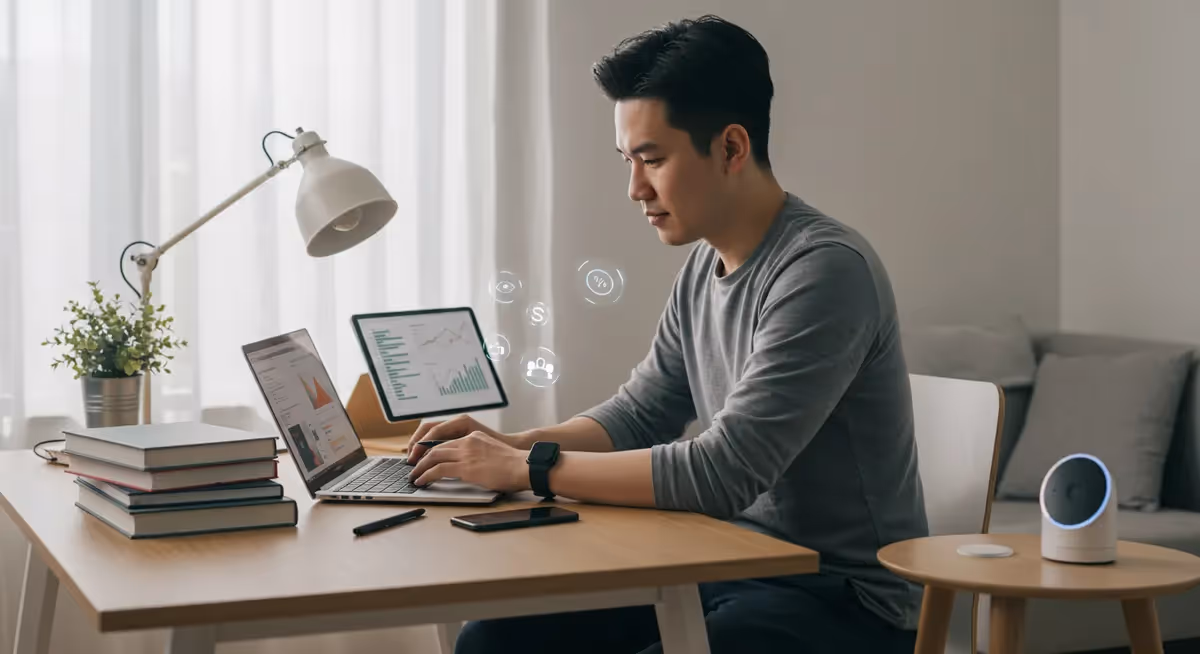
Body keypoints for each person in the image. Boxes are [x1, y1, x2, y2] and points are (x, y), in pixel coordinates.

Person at [407, 14, 928, 654]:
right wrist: (506, 442)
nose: (634, 188)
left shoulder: (824, 272)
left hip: (840, 600)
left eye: (652, 159)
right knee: (494, 642)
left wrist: (526, 466)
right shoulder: (702, 269)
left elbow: (722, 473)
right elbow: (640, 412)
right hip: (724, 565)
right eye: (628, 161)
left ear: (731, 149)